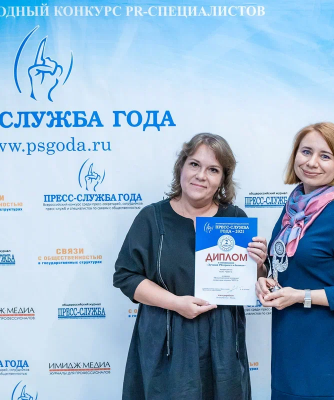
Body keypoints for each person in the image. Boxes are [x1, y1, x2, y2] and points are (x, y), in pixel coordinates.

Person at [113, 133, 267, 400]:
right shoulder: (152, 218)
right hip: (166, 338)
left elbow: (254, 281)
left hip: (222, 341)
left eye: (213, 170)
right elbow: (126, 276)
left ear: (223, 179)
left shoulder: (235, 219)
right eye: (194, 164)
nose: (201, 176)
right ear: (181, 167)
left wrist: (259, 265)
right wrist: (175, 303)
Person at [256, 122, 334, 400]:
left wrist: (302, 296)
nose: (312, 162)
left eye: (325, 156)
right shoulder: (293, 210)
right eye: (306, 151)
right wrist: (262, 275)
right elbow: (288, 271)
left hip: (328, 359)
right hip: (288, 351)